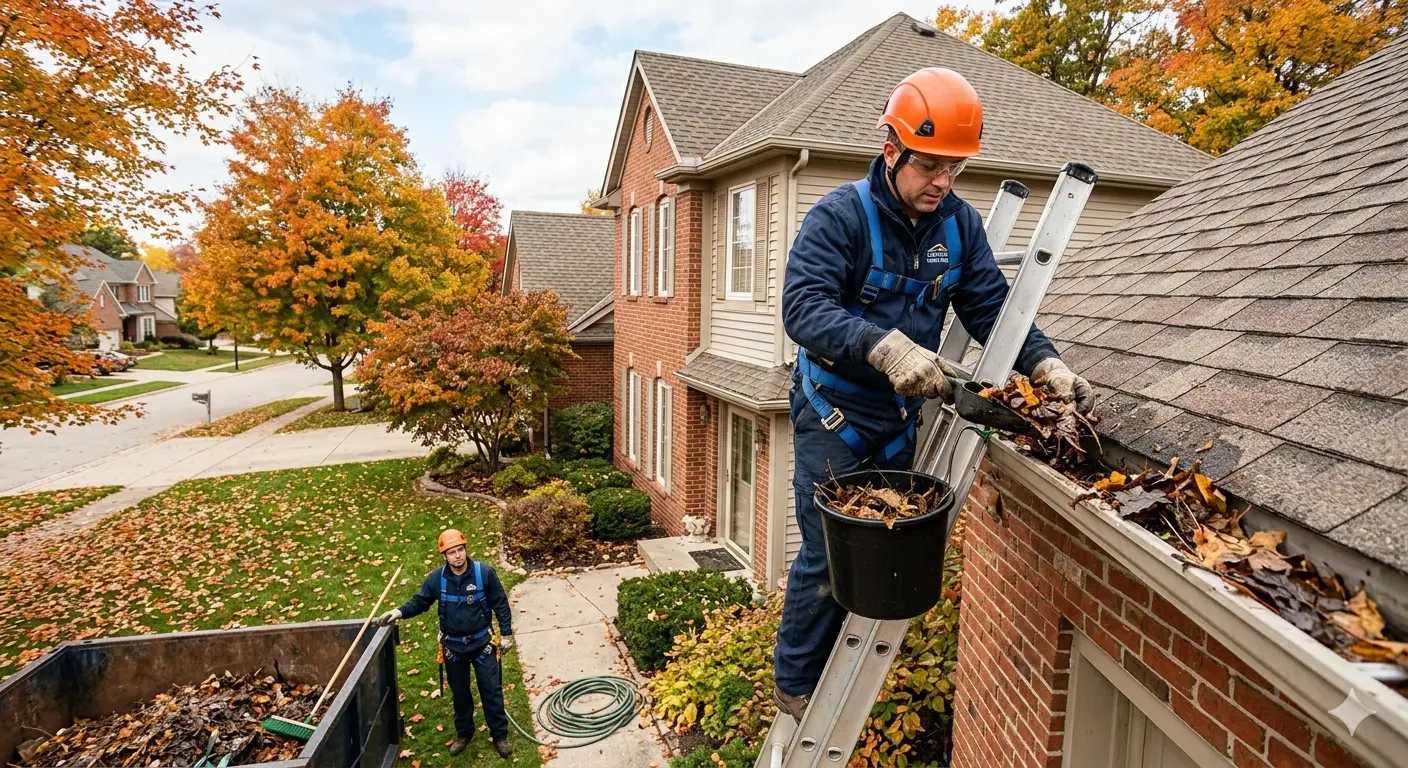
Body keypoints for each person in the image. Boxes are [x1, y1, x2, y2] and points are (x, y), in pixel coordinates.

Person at [774, 67, 1094, 720]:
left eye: (953, 168)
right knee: (826, 551)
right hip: (833, 411)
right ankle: (797, 681)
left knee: (886, 538)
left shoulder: (959, 228)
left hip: (897, 420)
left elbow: (991, 308)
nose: (942, 183)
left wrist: (1045, 363)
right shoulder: (841, 217)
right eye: (929, 167)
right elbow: (802, 308)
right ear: (891, 150)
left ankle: (852, 651)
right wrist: (883, 346)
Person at [379, 529, 515, 759]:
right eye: (452, 552)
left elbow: (500, 604)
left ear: (465, 549)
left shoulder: (484, 574)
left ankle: (500, 735)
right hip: (454, 649)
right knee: (460, 694)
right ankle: (464, 733)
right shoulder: (436, 579)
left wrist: (506, 634)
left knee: (491, 692)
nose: (458, 556)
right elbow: (420, 602)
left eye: (460, 550)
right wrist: (398, 612)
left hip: (483, 644)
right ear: (444, 555)